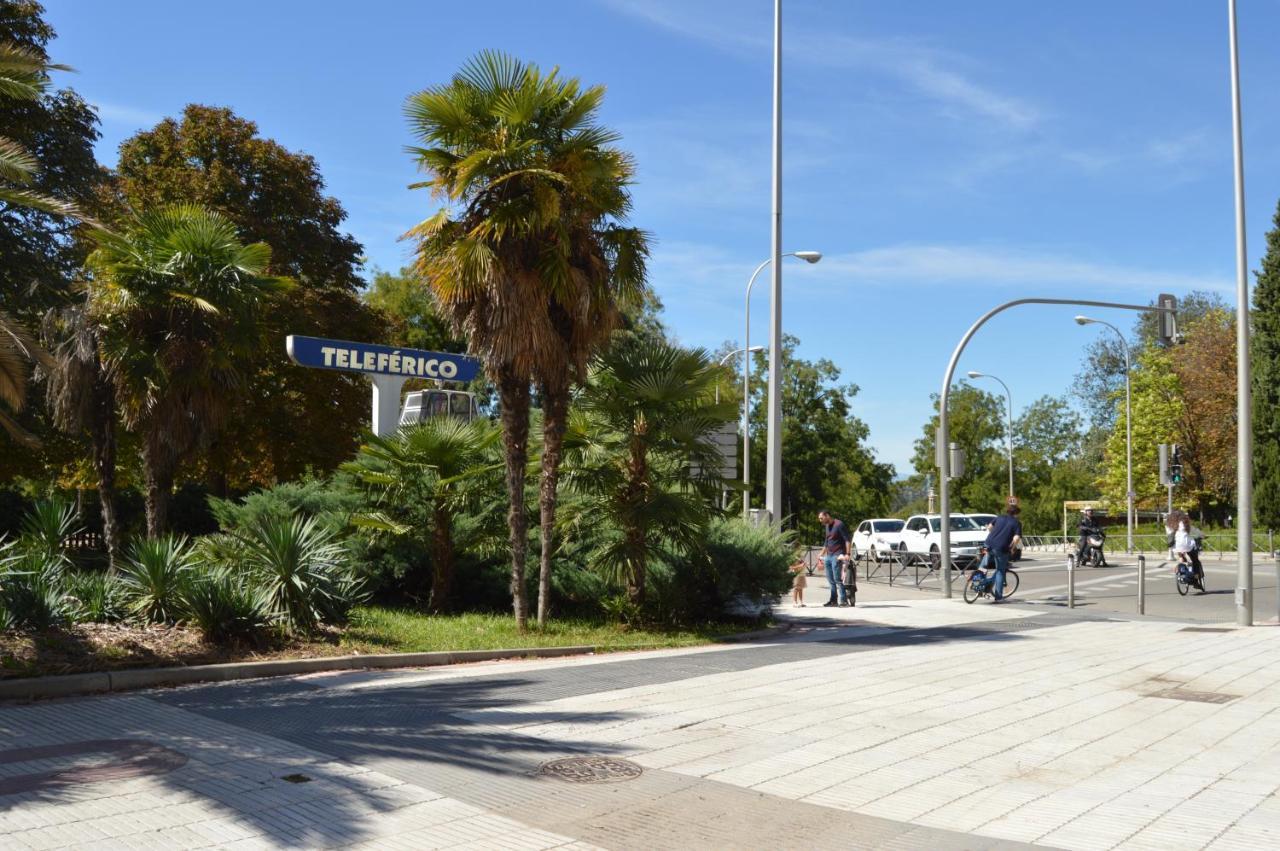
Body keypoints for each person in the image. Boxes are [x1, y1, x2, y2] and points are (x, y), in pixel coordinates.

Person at [984, 500, 1023, 602]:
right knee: (1000, 571)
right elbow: (1016, 538)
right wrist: (1012, 548)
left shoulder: (999, 517)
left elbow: (989, 527)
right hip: (1001, 548)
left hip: (988, 543)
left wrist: (996, 534)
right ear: (1016, 513)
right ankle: (998, 597)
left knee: (984, 566)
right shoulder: (1016, 523)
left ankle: (979, 582)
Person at [817, 510, 851, 607]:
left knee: (837, 579)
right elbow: (826, 542)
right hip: (828, 556)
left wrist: (848, 553)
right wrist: (821, 554)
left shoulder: (839, 524)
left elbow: (847, 540)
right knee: (830, 580)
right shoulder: (827, 526)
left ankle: (844, 601)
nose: (820, 520)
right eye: (819, 519)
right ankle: (833, 601)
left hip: (837, 555)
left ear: (827, 516)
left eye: (821, 518)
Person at [1172, 515, 1205, 591]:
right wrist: (1203, 535)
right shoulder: (1187, 525)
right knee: (1195, 561)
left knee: (1182, 557)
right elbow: (1197, 532)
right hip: (1187, 546)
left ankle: (1180, 567)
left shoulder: (1175, 525)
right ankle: (1196, 580)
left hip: (1177, 546)